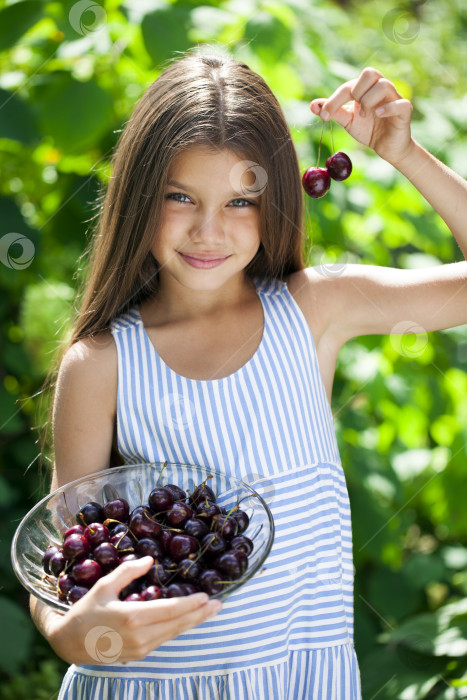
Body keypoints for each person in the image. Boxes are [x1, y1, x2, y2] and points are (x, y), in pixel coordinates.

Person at [29, 47, 467, 700]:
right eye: (180, 196)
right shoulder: (101, 363)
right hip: (152, 687)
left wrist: (404, 154)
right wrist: (69, 634)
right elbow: (62, 559)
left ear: (275, 200)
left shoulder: (312, 311)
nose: (208, 230)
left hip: (299, 679)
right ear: (138, 195)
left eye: (240, 200)